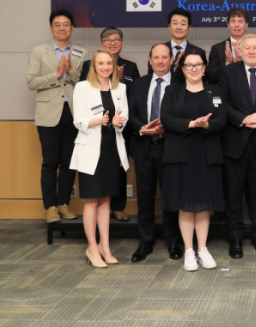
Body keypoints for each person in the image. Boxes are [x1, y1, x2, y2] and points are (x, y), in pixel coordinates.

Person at [160, 50, 226, 271]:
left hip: (207, 153)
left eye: (198, 65)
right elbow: (166, 120)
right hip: (181, 153)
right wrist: (190, 124)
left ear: (205, 67)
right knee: (186, 204)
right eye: (189, 65)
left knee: (204, 204)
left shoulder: (215, 91)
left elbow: (222, 120)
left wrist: (207, 125)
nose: (194, 69)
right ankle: (188, 250)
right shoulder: (172, 90)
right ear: (182, 69)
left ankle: (203, 248)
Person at [220, 34, 256, 259]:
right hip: (234, 143)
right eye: (247, 48)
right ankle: (235, 239)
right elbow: (222, 104)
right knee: (232, 195)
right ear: (239, 50)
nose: (252, 51)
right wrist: (244, 119)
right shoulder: (227, 73)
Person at [27, 9, 87, 223]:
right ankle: (50, 207)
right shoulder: (39, 51)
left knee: (70, 162)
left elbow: (85, 84)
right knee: (50, 162)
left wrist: (71, 72)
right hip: (48, 114)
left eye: (66, 24)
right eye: (57, 24)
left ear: (72, 27)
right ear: (51, 27)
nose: (62, 28)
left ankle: (63, 204)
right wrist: (57, 75)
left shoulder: (81, 52)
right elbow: (31, 82)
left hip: (73, 114)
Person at [70, 49, 129, 268]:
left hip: (112, 149)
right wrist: (98, 121)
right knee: (92, 200)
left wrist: (117, 122)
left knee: (106, 201)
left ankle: (105, 246)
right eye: (101, 63)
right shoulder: (82, 87)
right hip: (90, 151)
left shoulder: (120, 88)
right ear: (94, 67)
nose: (105, 67)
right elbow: (78, 120)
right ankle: (92, 247)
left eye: (109, 64)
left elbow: (125, 117)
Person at [128, 43, 182, 262]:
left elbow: (184, 114)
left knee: (171, 196)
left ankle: (172, 239)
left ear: (171, 60)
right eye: (156, 57)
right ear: (149, 60)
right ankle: (146, 241)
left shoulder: (180, 84)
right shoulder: (139, 84)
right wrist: (142, 127)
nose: (160, 61)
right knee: (145, 197)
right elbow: (130, 112)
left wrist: (166, 127)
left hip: (170, 148)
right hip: (144, 147)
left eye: (164, 57)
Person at [81, 26, 140, 222]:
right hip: (95, 128)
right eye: (108, 40)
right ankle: (99, 206)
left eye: (116, 39)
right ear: (101, 44)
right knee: (97, 171)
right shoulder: (89, 64)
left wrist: (120, 81)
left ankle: (118, 206)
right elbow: (84, 93)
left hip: (121, 126)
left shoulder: (130, 66)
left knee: (119, 169)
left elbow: (136, 94)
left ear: (121, 43)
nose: (112, 43)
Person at [206, 7, 256, 85]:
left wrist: (242, 62)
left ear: (246, 25)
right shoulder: (217, 48)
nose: (236, 25)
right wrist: (227, 63)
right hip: (226, 94)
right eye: (233, 21)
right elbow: (210, 78)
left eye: (240, 21)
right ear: (228, 25)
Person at [147, 9, 206, 75]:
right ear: (169, 27)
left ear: (189, 27)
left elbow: (201, 77)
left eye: (183, 24)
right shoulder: (158, 49)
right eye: (175, 23)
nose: (179, 27)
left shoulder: (198, 52)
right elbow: (151, 75)